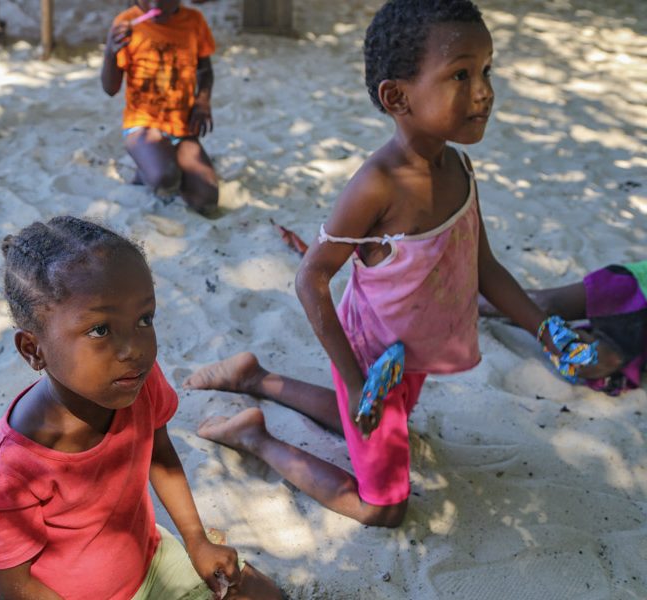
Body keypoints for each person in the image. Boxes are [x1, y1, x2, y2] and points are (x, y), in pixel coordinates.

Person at [183, 0, 614, 529]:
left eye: (485, 70)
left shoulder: (459, 166)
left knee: (393, 422)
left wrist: (550, 333)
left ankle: (257, 379)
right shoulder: (376, 186)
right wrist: (356, 379)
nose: (483, 90)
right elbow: (310, 277)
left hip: (414, 351)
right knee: (384, 508)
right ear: (397, 96)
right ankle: (253, 436)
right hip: (370, 358)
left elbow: (486, 268)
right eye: (460, 74)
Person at [0, 216, 281, 600]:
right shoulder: (11, 472)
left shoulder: (138, 384)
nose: (133, 349)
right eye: (100, 330)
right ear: (34, 349)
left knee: (265, 595)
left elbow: (160, 454)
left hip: (151, 561)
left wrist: (197, 541)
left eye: (144, 319)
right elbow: (12, 587)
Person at [101, 0, 218, 215]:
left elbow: (205, 70)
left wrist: (202, 102)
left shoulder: (193, 21)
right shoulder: (126, 24)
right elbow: (110, 88)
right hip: (142, 124)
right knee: (165, 179)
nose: (155, 4)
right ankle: (146, 167)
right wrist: (110, 51)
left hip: (182, 127)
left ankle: (158, 160)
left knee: (206, 200)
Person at [480, 261, 646, 395]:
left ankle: (554, 331)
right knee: (546, 304)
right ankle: (466, 301)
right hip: (638, 287)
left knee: (599, 361)